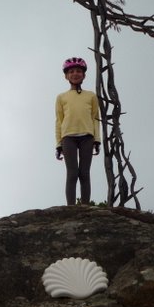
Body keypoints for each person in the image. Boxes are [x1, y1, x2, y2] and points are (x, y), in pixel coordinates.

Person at [55, 57, 101, 205]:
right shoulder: (61, 97)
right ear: (66, 76)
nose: (75, 74)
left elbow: (95, 118)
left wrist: (97, 139)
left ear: (84, 75)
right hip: (68, 137)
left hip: (87, 136)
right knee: (72, 173)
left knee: (84, 173)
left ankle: (85, 206)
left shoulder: (91, 96)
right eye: (72, 71)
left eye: (79, 71)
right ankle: (71, 208)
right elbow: (59, 121)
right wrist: (58, 143)